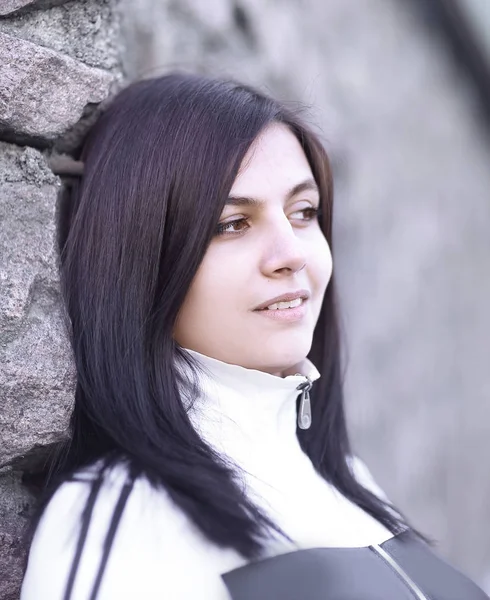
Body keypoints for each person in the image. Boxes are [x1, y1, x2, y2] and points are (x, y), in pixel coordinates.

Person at [20, 73, 488, 600]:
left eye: (303, 212)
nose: (291, 253)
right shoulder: (120, 513)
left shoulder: (345, 480)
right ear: (142, 261)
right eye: (232, 224)